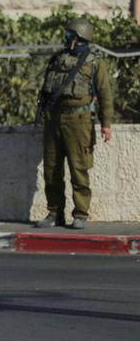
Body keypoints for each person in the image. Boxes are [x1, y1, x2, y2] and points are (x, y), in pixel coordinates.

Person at [36, 18, 114, 230]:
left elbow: (105, 94)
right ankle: (54, 213)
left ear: (79, 37)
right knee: (51, 169)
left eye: (69, 34)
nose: (66, 37)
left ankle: (80, 213)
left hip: (79, 120)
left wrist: (106, 124)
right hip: (54, 118)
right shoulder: (58, 58)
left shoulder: (95, 62)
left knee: (79, 168)